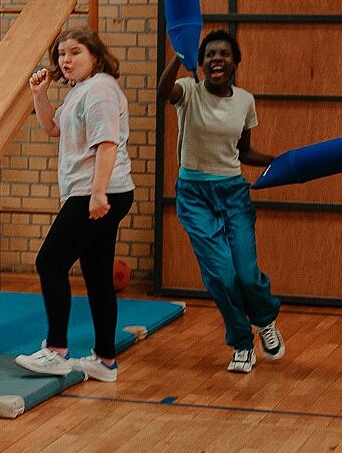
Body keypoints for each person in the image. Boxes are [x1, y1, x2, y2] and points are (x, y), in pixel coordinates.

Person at [158, 28, 284, 374]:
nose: (217, 58)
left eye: (224, 54)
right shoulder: (189, 91)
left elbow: (243, 152)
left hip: (232, 193)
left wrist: (280, 160)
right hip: (195, 195)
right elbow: (162, 90)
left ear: (235, 63)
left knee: (245, 272)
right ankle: (242, 343)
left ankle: (266, 320)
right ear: (202, 62)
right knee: (221, 276)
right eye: (210, 54)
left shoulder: (245, 100)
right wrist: (179, 57)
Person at [16, 28, 135, 383]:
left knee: (49, 261)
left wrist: (98, 193)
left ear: (95, 56)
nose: (65, 60)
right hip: (98, 191)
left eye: (74, 52)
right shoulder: (83, 90)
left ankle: (56, 351)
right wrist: (39, 94)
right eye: (61, 54)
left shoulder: (99, 91)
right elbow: (53, 128)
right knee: (97, 276)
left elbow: (108, 143)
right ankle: (104, 359)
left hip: (96, 192)